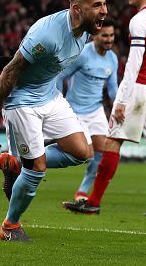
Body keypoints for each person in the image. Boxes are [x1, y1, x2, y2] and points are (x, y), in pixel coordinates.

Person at [0, 0, 108, 241]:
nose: (104, 10)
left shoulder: (84, 31)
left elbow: (39, 63)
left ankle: (15, 162)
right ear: (76, 9)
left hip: (49, 97)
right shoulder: (47, 33)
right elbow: (12, 70)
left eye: (105, 3)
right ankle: (10, 226)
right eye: (97, 5)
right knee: (37, 168)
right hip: (21, 102)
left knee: (83, 153)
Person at [67, 0, 146, 217]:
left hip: (139, 88)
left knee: (112, 142)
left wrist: (121, 101)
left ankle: (93, 200)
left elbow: (134, 64)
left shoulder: (139, 20)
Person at [58, 19, 118, 202]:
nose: (109, 39)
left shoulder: (112, 58)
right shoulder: (83, 54)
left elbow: (113, 88)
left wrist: (118, 108)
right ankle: (33, 156)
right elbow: (61, 75)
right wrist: (58, 101)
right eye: (105, 35)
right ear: (95, 36)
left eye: (112, 35)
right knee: (86, 154)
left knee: (101, 153)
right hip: (75, 111)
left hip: (96, 111)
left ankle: (82, 192)